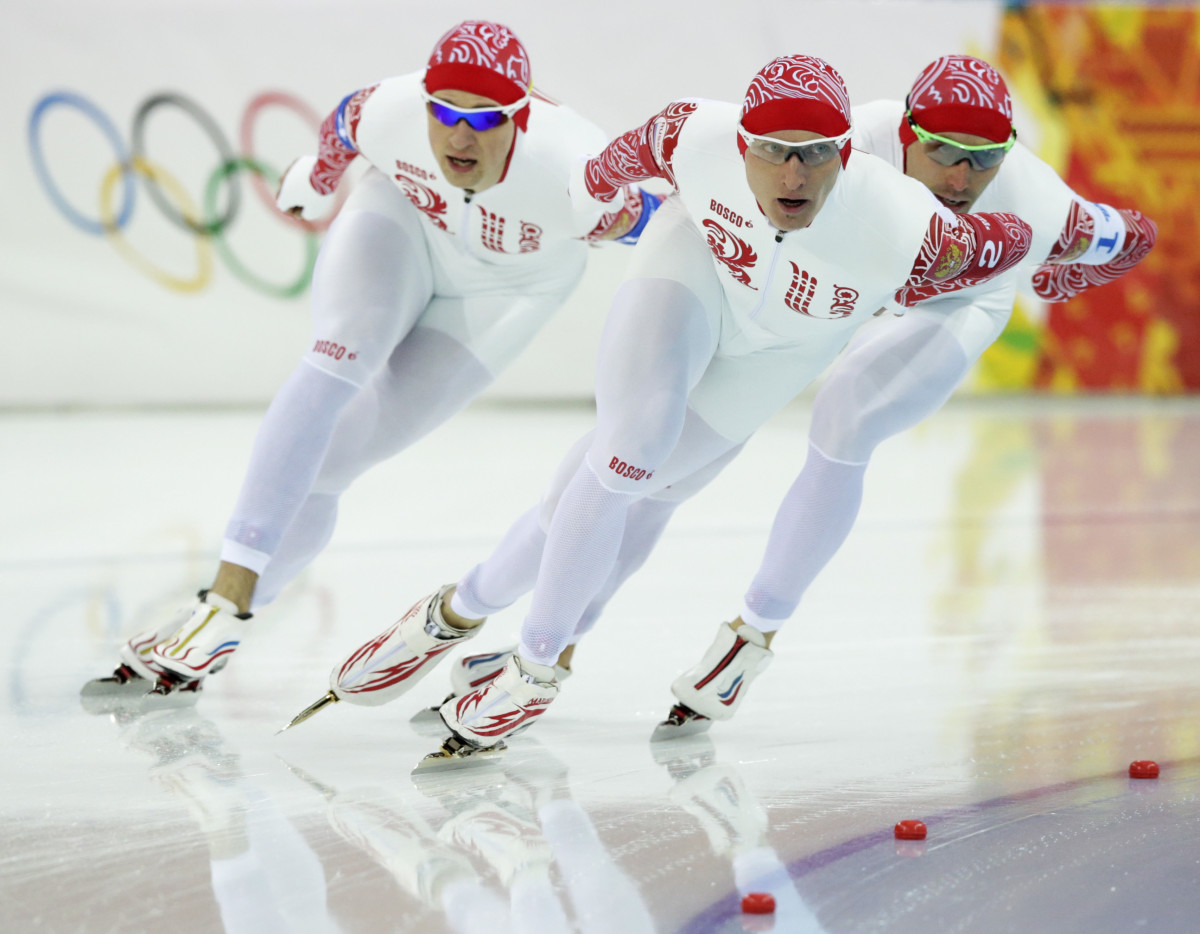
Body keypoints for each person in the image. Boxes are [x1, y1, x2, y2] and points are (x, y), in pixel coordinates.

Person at [386, 53, 1158, 741]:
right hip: (840, 289)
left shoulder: (1036, 204)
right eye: (941, 153)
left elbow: (1134, 235)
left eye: (981, 162)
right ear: (900, 133)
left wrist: (1055, 275)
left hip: (957, 297)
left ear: (1008, 157)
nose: (959, 178)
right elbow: (716, 163)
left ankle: (751, 638)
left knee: (844, 417)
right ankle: (530, 634)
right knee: (638, 461)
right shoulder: (841, 142)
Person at [82, 20, 656, 702]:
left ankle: (228, 618)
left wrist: (630, 219)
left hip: (509, 290)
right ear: (424, 101)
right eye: (444, 112)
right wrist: (319, 179)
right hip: (405, 227)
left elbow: (659, 213)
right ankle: (222, 605)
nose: (459, 136)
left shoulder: (573, 165)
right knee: (336, 359)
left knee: (330, 468)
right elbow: (343, 124)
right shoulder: (386, 110)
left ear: (523, 115)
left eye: (484, 120)